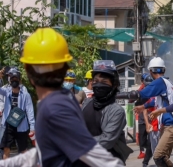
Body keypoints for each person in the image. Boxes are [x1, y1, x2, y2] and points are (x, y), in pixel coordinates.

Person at [0, 28, 124, 166]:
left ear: (28, 72)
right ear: (64, 68)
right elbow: (49, 150)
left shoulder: (54, 108)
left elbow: (92, 153)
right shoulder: (62, 100)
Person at [117, 57, 173, 167]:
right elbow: (154, 101)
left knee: (158, 156)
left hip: (172, 125)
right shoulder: (167, 83)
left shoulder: (159, 82)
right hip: (170, 125)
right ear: (164, 70)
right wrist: (143, 106)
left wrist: (114, 96)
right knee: (163, 157)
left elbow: (137, 94)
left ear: (151, 71)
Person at [82, 60, 132, 165]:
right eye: (95, 81)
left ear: (114, 85)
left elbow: (106, 141)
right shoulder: (86, 103)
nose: (98, 84)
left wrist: (77, 142)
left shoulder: (116, 111)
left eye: (104, 82)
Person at [0, 68, 35, 159]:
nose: (14, 81)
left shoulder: (25, 94)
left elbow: (30, 110)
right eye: (12, 79)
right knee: (6, 149)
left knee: (23, 150)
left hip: (21, 126)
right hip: (9, 125)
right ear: (9, 81)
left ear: (19, 80)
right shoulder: (6, 92)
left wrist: (32, 127)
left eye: (16, 79)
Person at [141, 74, 158, 167]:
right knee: (150, 144)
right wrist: (147, 124)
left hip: (162, 124)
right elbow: (145, 110)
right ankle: (146, 162)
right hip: (153, 125)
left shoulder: (159, 93)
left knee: (160, 147)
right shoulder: (147, 96)